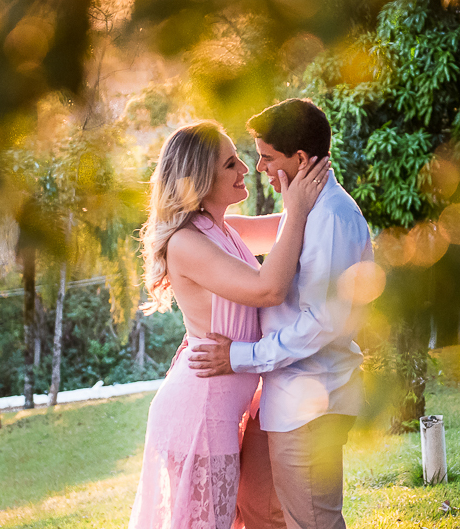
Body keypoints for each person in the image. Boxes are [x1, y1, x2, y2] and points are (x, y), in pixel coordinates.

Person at [128, 121, 330, 529]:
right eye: (230, 163)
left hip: (218, 412)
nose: (246, 169)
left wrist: (304, 180)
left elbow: (293, 226)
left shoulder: (223, 229)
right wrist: (299, 205)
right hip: (198, 416)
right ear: (199, 180)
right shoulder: (187, 242)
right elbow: (268, 288)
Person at [190, 99, 373, 529]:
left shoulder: (329, 217)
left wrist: (239, 356)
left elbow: (322, 323)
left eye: (266, 157)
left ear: (301, 159)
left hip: (311, 403)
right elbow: (241, 235)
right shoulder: (303, 210)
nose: (257, 168)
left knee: (312, 523)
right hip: (295, 401)